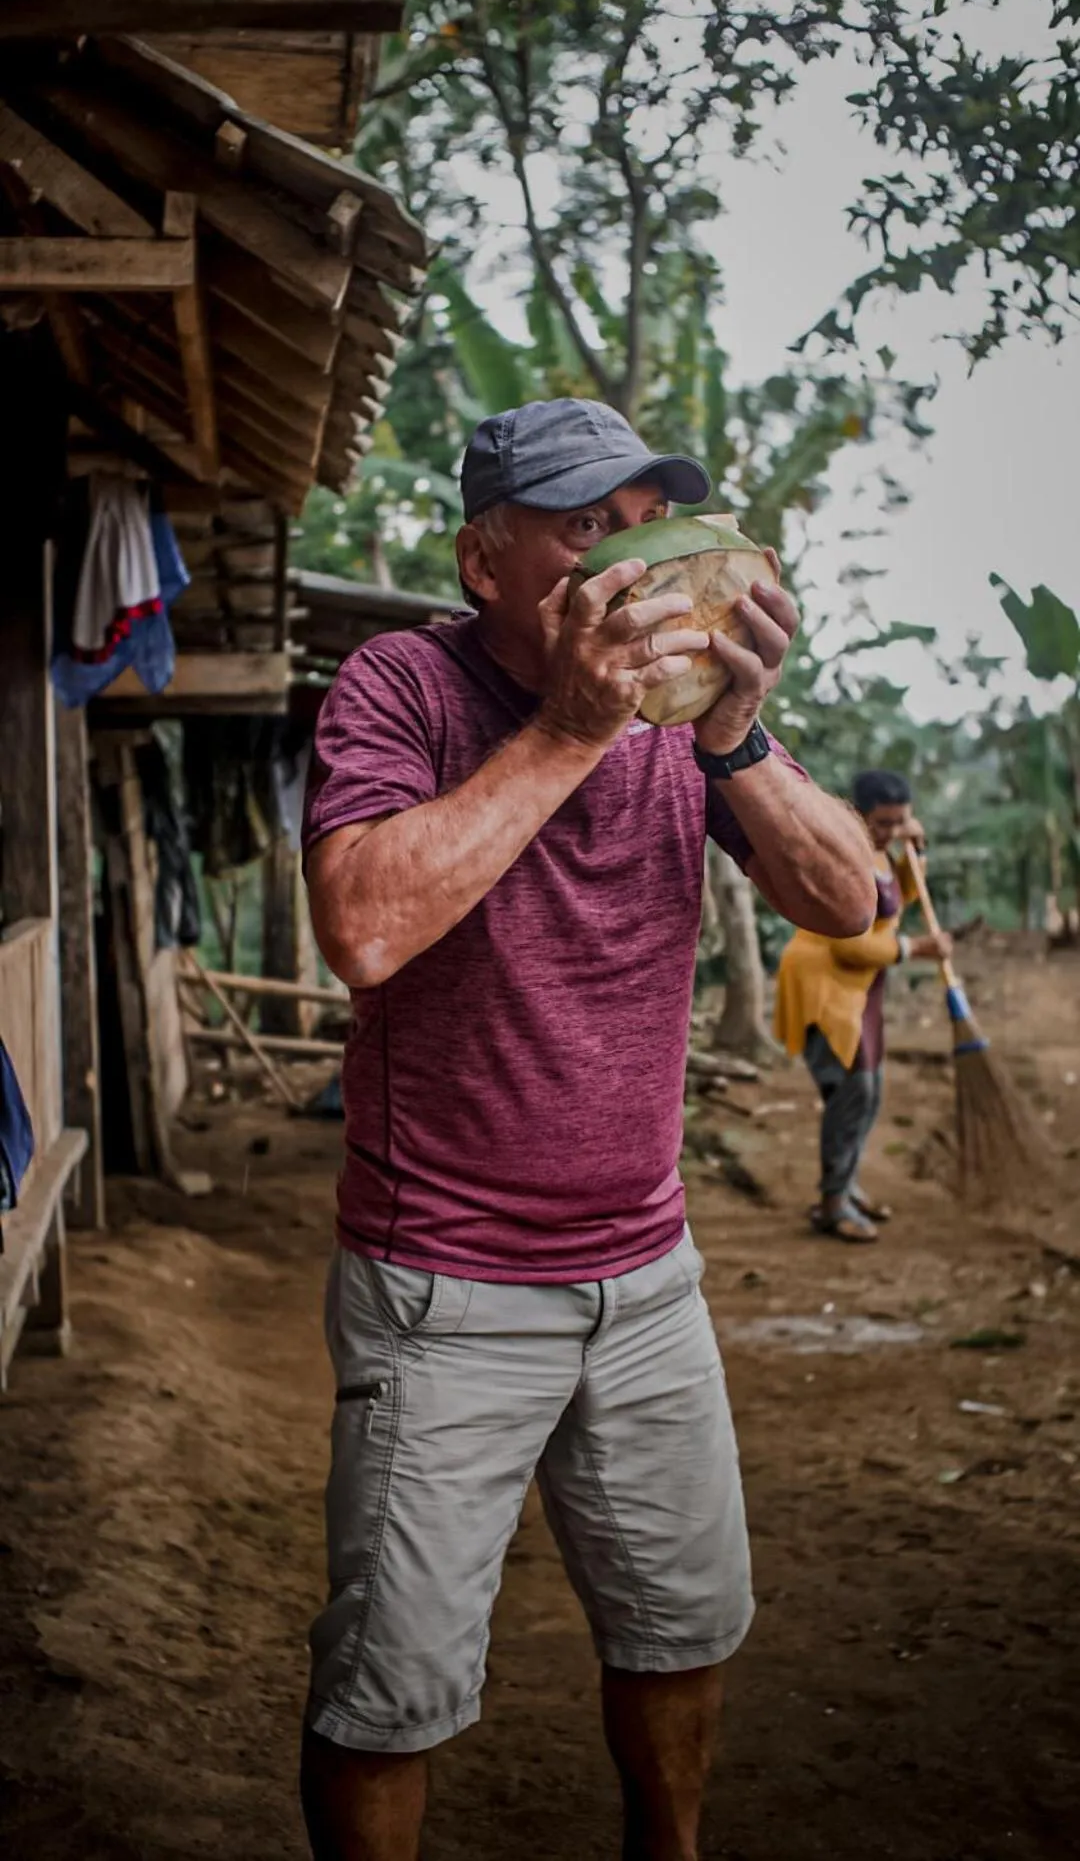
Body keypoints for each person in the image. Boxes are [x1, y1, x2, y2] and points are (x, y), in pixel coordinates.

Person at [300, 397, 876, 1861]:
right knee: (392, 1690)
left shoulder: (693, 716)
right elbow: (364, 931)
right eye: (581, 530)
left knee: (683, 1623)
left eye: (642, 523)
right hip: (442, 1283)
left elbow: (851, 898)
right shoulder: (401, 684)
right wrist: (572, 722)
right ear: (482, 560)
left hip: (647, 1274)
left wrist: (738, 734)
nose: (630, 560)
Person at [774, 767, 953, 1244]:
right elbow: (850, 943)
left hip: (860, 989)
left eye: (900, 822)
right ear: (859, 815)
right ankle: (833, 1203)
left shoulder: (880, 852)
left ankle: (846, 1186)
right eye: (883, 824)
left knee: (868, 1092)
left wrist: (918, 850)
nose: (891, 832)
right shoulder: (847, 854)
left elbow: (901, 896)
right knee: (853, 1093)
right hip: (827, 989)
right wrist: (917, 950)